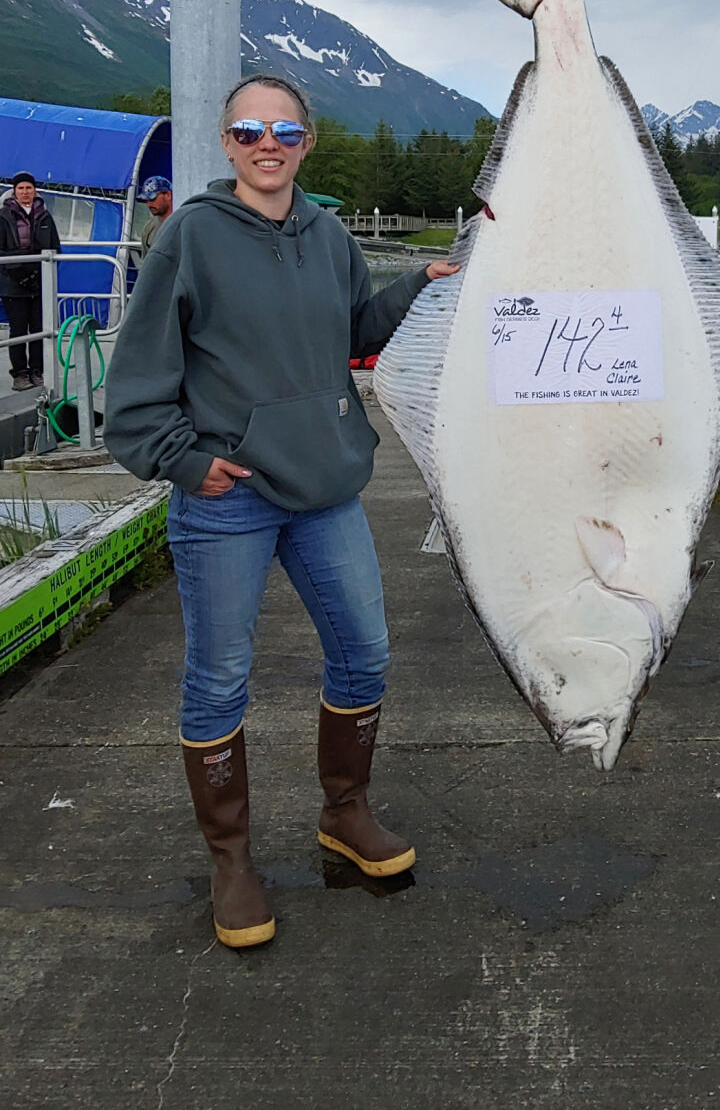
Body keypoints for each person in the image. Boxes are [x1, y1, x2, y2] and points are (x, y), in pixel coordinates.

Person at [104, 74, 457, 951]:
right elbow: (134, 391)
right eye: (251, 129)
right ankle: (232, 858)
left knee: (365, 654)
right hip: (230, 500)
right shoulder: (189, 236)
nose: (269, 143)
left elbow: (353, 330)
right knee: (220, 678)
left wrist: (422, 280)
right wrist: (187, 461)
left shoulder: (328, 233)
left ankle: (345, 811)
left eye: (286, 131)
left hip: (326, 489)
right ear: (227, 142)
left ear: (307, 142)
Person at [0, 172, 62, 391]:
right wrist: (18, 271)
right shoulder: (4, 216)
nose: (25, 192)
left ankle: (37, 371)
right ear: (14, 192)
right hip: (13, 283)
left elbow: (55, 248)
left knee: (39, 328)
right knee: (18, 330)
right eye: (21, 188)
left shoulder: (45, 216)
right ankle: (19, 374)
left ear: (35, 190)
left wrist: (40, 274)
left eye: (29, 188)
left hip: (39, 282)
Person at [137, 176, 173, 255]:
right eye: (146, 200)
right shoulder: (149, 228)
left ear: (168, 195)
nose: (149, 204)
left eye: (152, 198)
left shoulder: (185, 221)